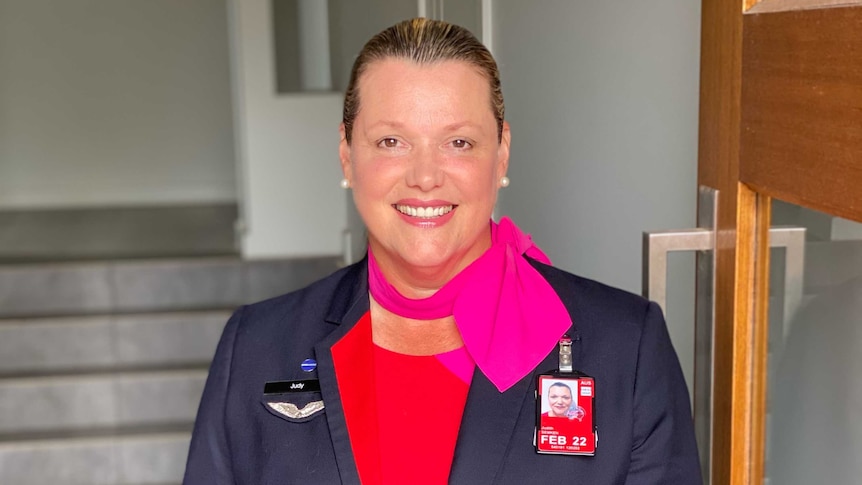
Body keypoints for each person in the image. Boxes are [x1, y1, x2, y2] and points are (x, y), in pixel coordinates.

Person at [183, 18, 701, 484]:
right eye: (391, 141)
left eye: (459, 143)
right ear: (347, 155)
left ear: (501, 154)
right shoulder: (254, 347)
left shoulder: (627, 347)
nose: (425, 177)